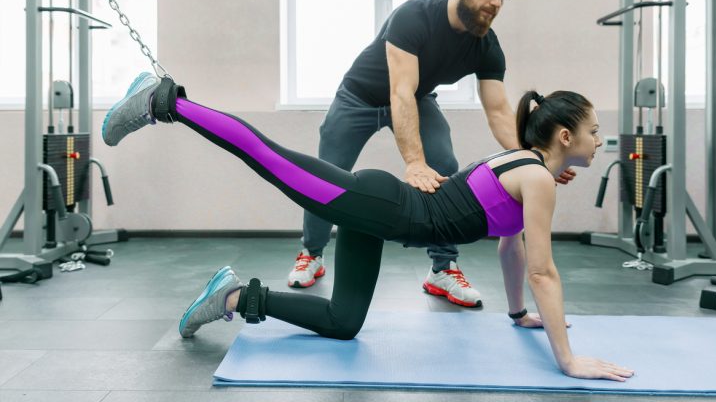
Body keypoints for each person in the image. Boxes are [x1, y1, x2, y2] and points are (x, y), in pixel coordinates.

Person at [101, 73, 632, 381]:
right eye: (594, 131)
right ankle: (163, 101)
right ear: (565, 135)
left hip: (380, 214)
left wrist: (518, 315)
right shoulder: (535, 177)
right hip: (378, 203)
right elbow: (544, 271)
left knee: (343, 320)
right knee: (266, 155)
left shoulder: (529, 168)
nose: (599, 140)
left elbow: (512, 252)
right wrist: (568, 360)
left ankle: (234, 297)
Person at [293, 0, 573, 306]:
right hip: (359, 97)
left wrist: (537, 157)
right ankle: (311, 255)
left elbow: (500, 111)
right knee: (327, 175)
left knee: (443, 165)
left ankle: (442, 269)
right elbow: (400, 91)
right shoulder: (415, 16)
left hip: (417, 96)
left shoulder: (486, 45)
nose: (497, 2)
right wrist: (412, 162)